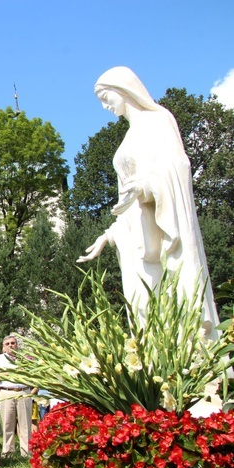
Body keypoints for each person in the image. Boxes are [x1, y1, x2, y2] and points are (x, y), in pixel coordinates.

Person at [78, 66, 219, 337]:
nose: (105, 106)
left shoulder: (157, 120)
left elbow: (177, 167)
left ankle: (186, 356)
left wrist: (144, 187)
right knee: (141, 303)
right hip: (134, 231)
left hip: (158, 225)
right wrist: (108, 235)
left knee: (166, 295)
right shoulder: (129, 135)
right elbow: (125, 201)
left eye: (106, 97)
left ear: (123, 90)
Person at [0, 335, 34, 457]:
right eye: (8, 344)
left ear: (17, 345)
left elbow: (29, 374)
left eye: (13, 343)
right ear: (3, 347)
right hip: (6, 392)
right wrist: (15, 372)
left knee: (25, 423)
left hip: (23, 391)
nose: (11, 345)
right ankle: (8, 451)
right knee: (7, 423)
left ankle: (26, 452)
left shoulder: (25, 358)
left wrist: (8, 372)